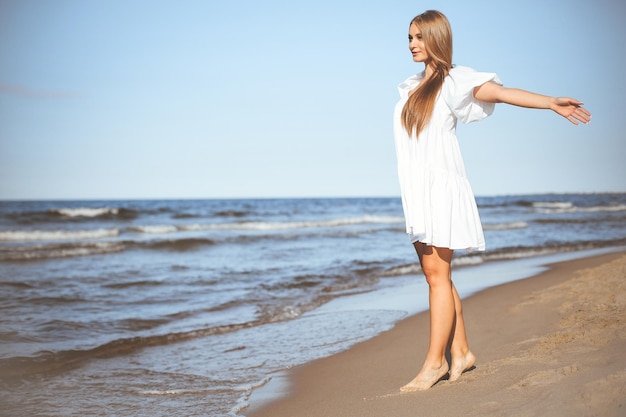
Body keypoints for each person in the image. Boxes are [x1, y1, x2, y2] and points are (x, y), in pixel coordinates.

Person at [393, 10, 591, 392]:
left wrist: (550, 102)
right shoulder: (411, 85)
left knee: (438, 277)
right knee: (436, 275)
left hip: (440, 189)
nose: (412, 44)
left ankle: (434, 364)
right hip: (416, 189)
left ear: (436, 38)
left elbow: (500, 92)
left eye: (418, 37)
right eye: (409, 38)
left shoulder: (453, 81)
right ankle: (462, 351)